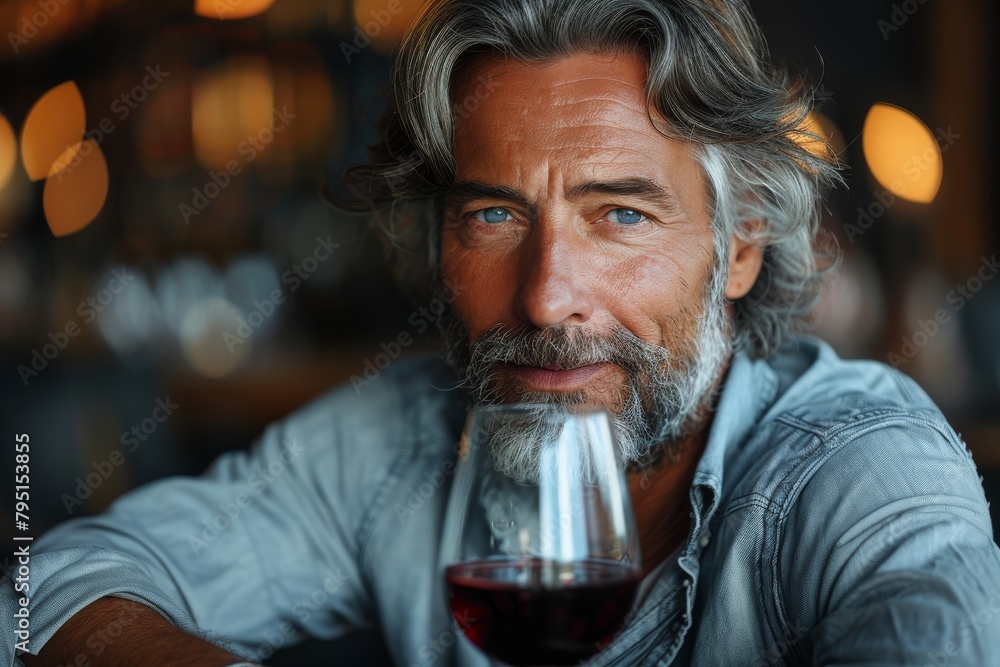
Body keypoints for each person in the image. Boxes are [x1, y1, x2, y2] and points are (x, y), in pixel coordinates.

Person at [6, 0, 1000, 665]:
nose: (544, 298)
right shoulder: (402, 438)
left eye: (622, 215)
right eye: (493, 216)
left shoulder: (852, 464)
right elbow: (51, 586)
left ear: (739, 248)